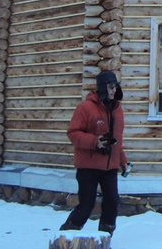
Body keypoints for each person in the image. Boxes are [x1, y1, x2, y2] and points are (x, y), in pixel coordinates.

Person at [60, 71, 130, 236]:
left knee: (112, 203)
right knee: (86, 205)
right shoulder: (85, 108)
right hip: (88, 167)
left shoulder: (117, 110)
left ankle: (104, 238)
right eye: (111, 87)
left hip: (110, 167)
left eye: (116, 87)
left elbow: (117, 141)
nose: (114, 90)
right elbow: (73, 133)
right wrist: (94, 141)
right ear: (103, 88)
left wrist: (123, 162)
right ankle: (66, 237)